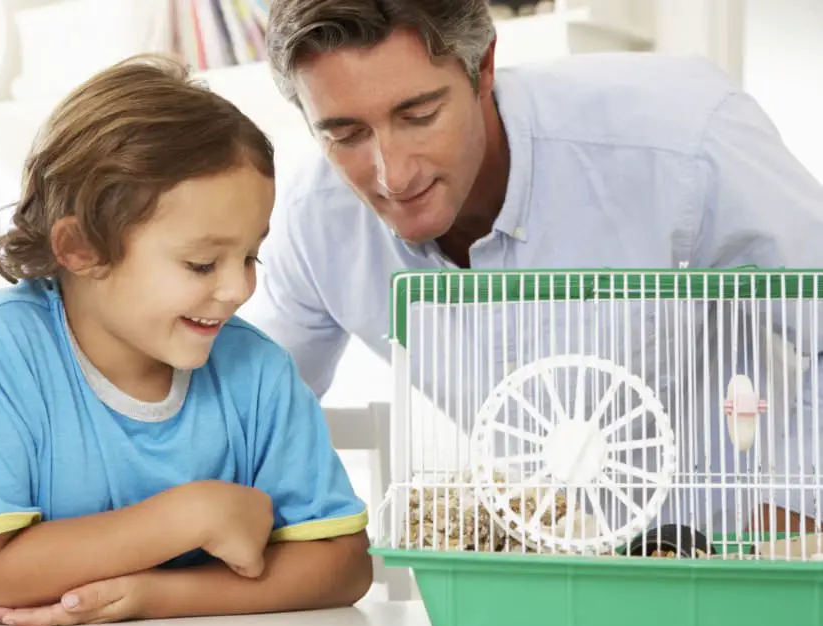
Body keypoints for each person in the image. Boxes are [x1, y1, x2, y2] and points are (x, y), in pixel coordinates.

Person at [242, 0, 823, 543]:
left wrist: (789, 523)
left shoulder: (684, 140)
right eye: (345, 135)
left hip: (733, 561)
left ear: (484, 67)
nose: (392, 175)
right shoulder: (315, 220)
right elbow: (248, 410)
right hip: (531, 574)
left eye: (419, 115)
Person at [0, 54, 372, 626]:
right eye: (202, 263)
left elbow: (345, 566)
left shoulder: (258, 370)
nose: (238, 289)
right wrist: (191, 516)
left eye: (251, 256)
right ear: (80, 249)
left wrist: (157, 597)